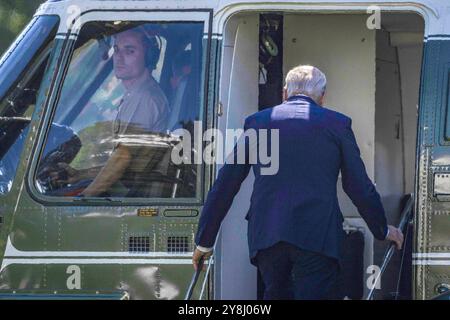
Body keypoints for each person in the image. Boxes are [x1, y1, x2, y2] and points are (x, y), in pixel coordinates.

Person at [192, 65, 404, 300]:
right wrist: (381, 229)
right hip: (317, 236)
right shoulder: (337, 124)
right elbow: (358, 186)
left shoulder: (258, 122)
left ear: (285, 93)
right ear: (322, 97)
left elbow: (226, 183)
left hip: (268, 235)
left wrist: (205, 241)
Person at [58, 27, 170, 197]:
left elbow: (122, 159)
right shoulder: (136, 94)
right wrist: (80, 175)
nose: (119, 57)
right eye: (116, 50)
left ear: (149, 57)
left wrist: (82, 199)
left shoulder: (144, 97)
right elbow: (122, 162)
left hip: (131, 196)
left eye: (129, 51)